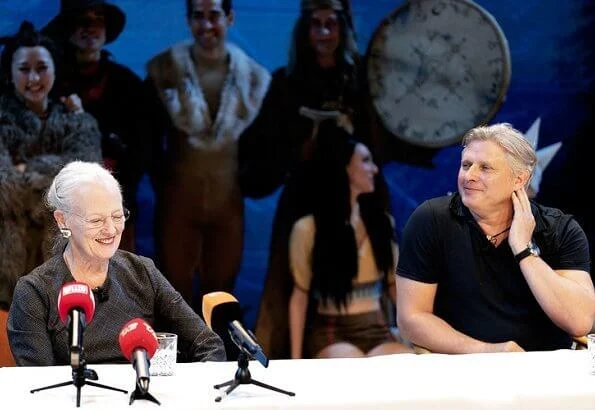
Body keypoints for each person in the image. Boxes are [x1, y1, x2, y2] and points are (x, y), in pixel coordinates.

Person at [248, 0, 379, 359]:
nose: (323, 33)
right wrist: (297, 150)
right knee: (289, 282)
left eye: (331, 24)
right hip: (304, 199)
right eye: (316, 24)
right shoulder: (285, 83)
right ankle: (287, 362)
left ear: (343, 28)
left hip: (356, 199)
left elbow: (384, 137)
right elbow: (262, 148)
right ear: (304, 31)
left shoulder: (364, 80)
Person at [396, 123, 595, 353]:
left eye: (485, 168)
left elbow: (579, 321)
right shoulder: (430, 220)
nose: (469, 176)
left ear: (519, 179)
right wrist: (488, 351)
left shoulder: (559, 229)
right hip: (460, 365)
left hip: (543, 370)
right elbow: (411, 319)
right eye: (466, 165)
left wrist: (524, 250)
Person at [7, 161, 226, 366]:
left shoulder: (142, 272)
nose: (111, 230)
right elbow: (40, 384)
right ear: (63, 220)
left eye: (117, 216)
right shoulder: (34, 292)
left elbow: (208, 345)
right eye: (96, 220)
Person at [145, 0, 270, 312]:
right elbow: (146, 138)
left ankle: (221, 360)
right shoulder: (165, 70)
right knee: (173, 294)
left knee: (222, 295)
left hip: (227, 204)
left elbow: (263, 145)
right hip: (177, 203)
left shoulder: (253, 78)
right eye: (197, 17)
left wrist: (246, 182)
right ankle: (174, 361)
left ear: (229, 18)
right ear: (188, 21)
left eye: (214, 16)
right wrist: (165, 183)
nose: (206, 25)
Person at [0, 21, 101, 312]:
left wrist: (25, 172)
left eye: (42, 68)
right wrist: (58, 174)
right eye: (24, 69)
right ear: (10, 73)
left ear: (55, 70)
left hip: (64, 267)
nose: (33, 78)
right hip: (6, 271)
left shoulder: (77, 121)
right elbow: (5, 191)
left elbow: (87, 183)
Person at [288, 125, 412, 358]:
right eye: (365, 161)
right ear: (344, 168)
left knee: (404, 364)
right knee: (350, 368)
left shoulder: (381, 222)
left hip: (377, 328)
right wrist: (295, 359)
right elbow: (300, 295)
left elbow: (394, 286)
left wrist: (414, 334)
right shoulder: (308, 228)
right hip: (332, 330)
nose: (374, 169)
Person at [43, 0, 150, 252]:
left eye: (98, 19)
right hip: (59, 213)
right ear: (67, 27)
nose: (90, 27)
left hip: (114, 210)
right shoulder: (47, 82)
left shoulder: (129, 85)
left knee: (115, 285)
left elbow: (143, 151)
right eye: (82, 20)